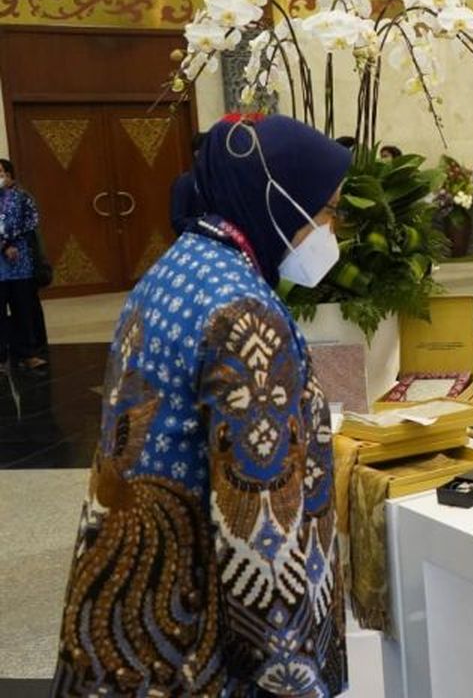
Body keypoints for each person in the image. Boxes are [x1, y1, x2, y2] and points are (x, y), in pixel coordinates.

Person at [53, 115, 349, 696]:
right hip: (200, 645)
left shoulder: (174, 268)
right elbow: (262, 532)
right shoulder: (244, 313)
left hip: (133, 623)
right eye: (323, 210)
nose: (328, 228)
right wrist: (288, 675)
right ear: (275, 199)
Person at [0, 157, 46, 372]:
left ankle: (28, 354)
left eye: (2, 173)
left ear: (10, 175)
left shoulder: (22, 197)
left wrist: (12, 241)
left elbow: (30, 221)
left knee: (23, 310)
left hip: (20, 262)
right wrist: (3, 245)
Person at [169, 132, 206, 236]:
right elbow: (178, 221)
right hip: (196, 242)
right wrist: (207, 224)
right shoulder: (184, 182)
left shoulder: (219, 180)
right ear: (198, 154)